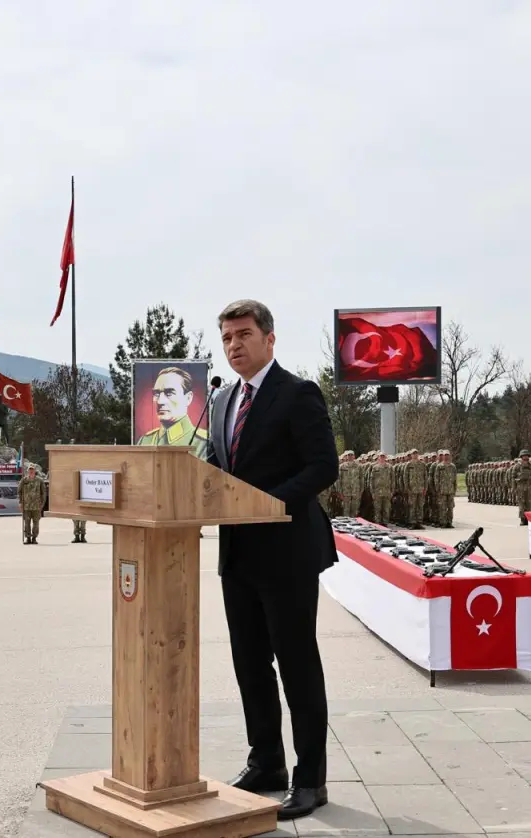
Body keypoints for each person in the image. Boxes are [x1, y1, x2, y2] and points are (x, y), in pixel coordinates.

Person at [205, 299, 338, 821]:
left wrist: (267, 504)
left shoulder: (297, 393)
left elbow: (323, 466)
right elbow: (215, 466)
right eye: (226, 338)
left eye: (243, 334)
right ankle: (266, 763)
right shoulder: (221, 400)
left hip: (287, 554)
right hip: (237, 553)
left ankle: (310, 780)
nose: (234, 345)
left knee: (297, 665)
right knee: (249, 663)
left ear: (269, 338)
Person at [135, 366, 210, 458]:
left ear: (188, 398)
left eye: (169, 393)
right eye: (156, 394)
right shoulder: (145, 441)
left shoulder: (203, 444)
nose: (160, 401)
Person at [18, 466, 45, 544]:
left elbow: (43, 493)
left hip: (36, 506)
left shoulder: (39, 480)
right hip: (26, 506)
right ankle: (28, 538)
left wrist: (42, 504)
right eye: (30, 470)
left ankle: (34, 538)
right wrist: (20, 503)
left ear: (35, 471)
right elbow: (19, 491)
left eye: (32, 470)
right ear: (27, 471)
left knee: (36, 523)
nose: (31, 472)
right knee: (27, 523)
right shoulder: (24, 480)